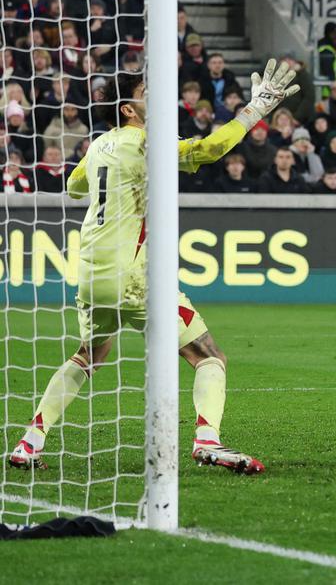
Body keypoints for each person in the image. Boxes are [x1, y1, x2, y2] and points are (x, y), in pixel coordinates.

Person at [9, 60, 300, 474]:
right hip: (135, 276)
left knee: (90, 354)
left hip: (91, 273)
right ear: (128, 108)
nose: (156, 98)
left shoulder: (99, 145)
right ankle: (207, 441)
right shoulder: (147, 144)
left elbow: (74, 188)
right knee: (209, 356)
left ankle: (30, 441)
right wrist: (254, 110)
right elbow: (210, 150)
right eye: (147, 93)